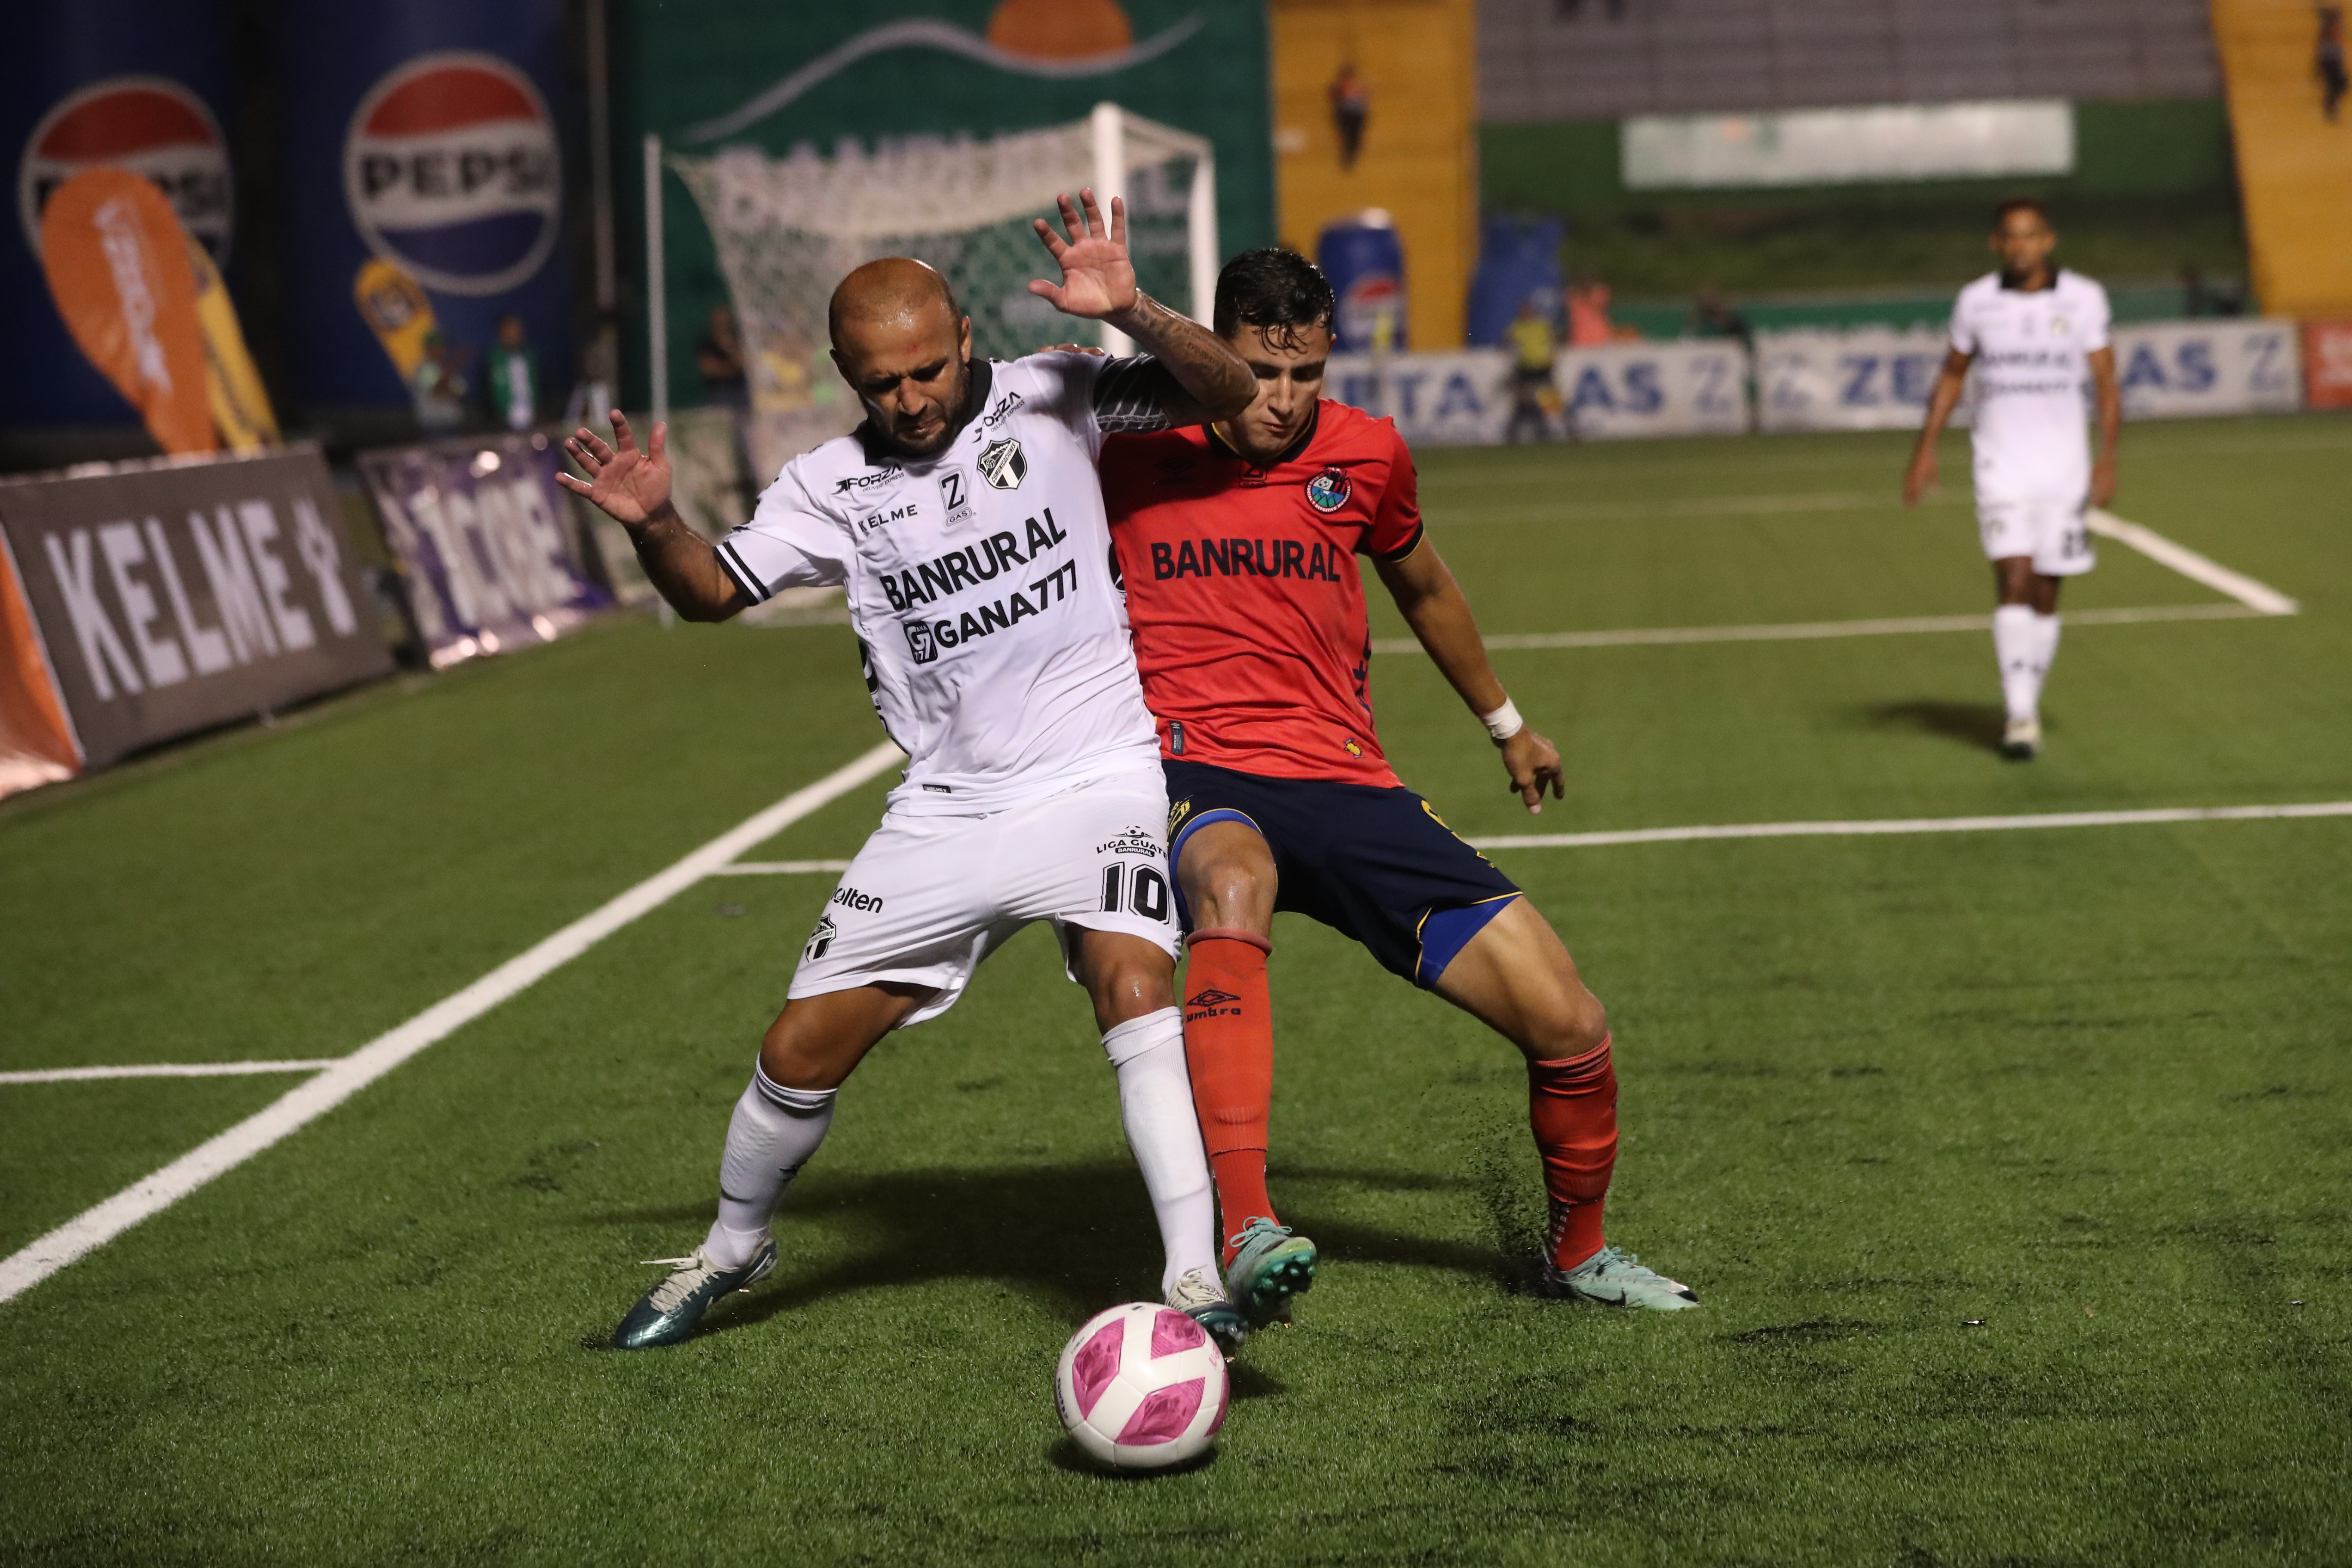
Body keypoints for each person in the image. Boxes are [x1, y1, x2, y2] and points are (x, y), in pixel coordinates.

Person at [557, 191, 1259, 1350]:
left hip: (1097, 775)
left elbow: (1230, 396)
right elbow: (712, 592)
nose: (911, 400)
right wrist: (652, 523)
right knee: (798, 1051)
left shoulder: (1057, 391)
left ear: (968, 340)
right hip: (951, 808)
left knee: (1132, 981)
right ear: (844, 370)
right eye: (882, 382)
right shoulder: (827, 486)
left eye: (928, 371)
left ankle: (1193, 1278)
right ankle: (733, 1248)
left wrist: (1132, 307)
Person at [1097, 248, 1698, 1324]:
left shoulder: (1366, 453)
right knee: (1229, 880)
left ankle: (1580, 1252)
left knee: (1568, 1021)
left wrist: (1506, 726)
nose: (1281, 401)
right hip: (1194, 768)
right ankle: (1244, 1227)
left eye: (1305, 376)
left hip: (1346, 781)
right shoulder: (1123, 452)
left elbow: (1420, 583)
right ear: (1209, 351)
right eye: (1256, 372)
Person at [1903, 198, 2121, 762]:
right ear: (1996, 244)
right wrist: (1924, 450)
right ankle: (2020, 714)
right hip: (2001, 467)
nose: (2021, 246)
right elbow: (1953, 374)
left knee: (2047, 592)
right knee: (2014, 580)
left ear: (2048, 240)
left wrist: (2107, 458)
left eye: (2031, 236)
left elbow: (2106, 382)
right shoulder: (1976, 302)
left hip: (2065, 470)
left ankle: (2027, 696)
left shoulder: (2084, 299)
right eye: (2011, 237)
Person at [1503, 297, 1556, 444]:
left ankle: (1565, 430)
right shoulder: (1517, 327)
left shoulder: (1542, 325)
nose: (1526, 313)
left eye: (1528, 310)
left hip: (1543, 366)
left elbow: (1553, 341)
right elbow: (1507, 341)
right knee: (1522, 401)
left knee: (1550, 401)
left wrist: (1552, 356)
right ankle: (1513, 434)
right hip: (1525, 367)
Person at [485, 314, 539, 432]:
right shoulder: (495, 358)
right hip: (505, 417)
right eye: (510, 329)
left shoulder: (529, 356)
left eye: (518, 329)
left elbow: (535, 385)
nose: (515, 334)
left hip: (530, 413)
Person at [698, 303, 751, 410]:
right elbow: (710, 370)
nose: (722, 322)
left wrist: (728, 346)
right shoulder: (707, 344)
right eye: (719, 318)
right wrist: (733, 368)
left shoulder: (738, 340)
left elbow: (744, 363)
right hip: (718, 391)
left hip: (740, 389)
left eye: (724, 318)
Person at [1329, 64, 1369, 170]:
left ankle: (1352, 153)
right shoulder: (1340, 86)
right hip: (1347, 114)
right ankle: (1349, 152)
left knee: (1354, 136)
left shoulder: (1357, 86)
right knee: (1348, 136)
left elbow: (1364, 99)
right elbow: (1335, 98)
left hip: (1355, 115)